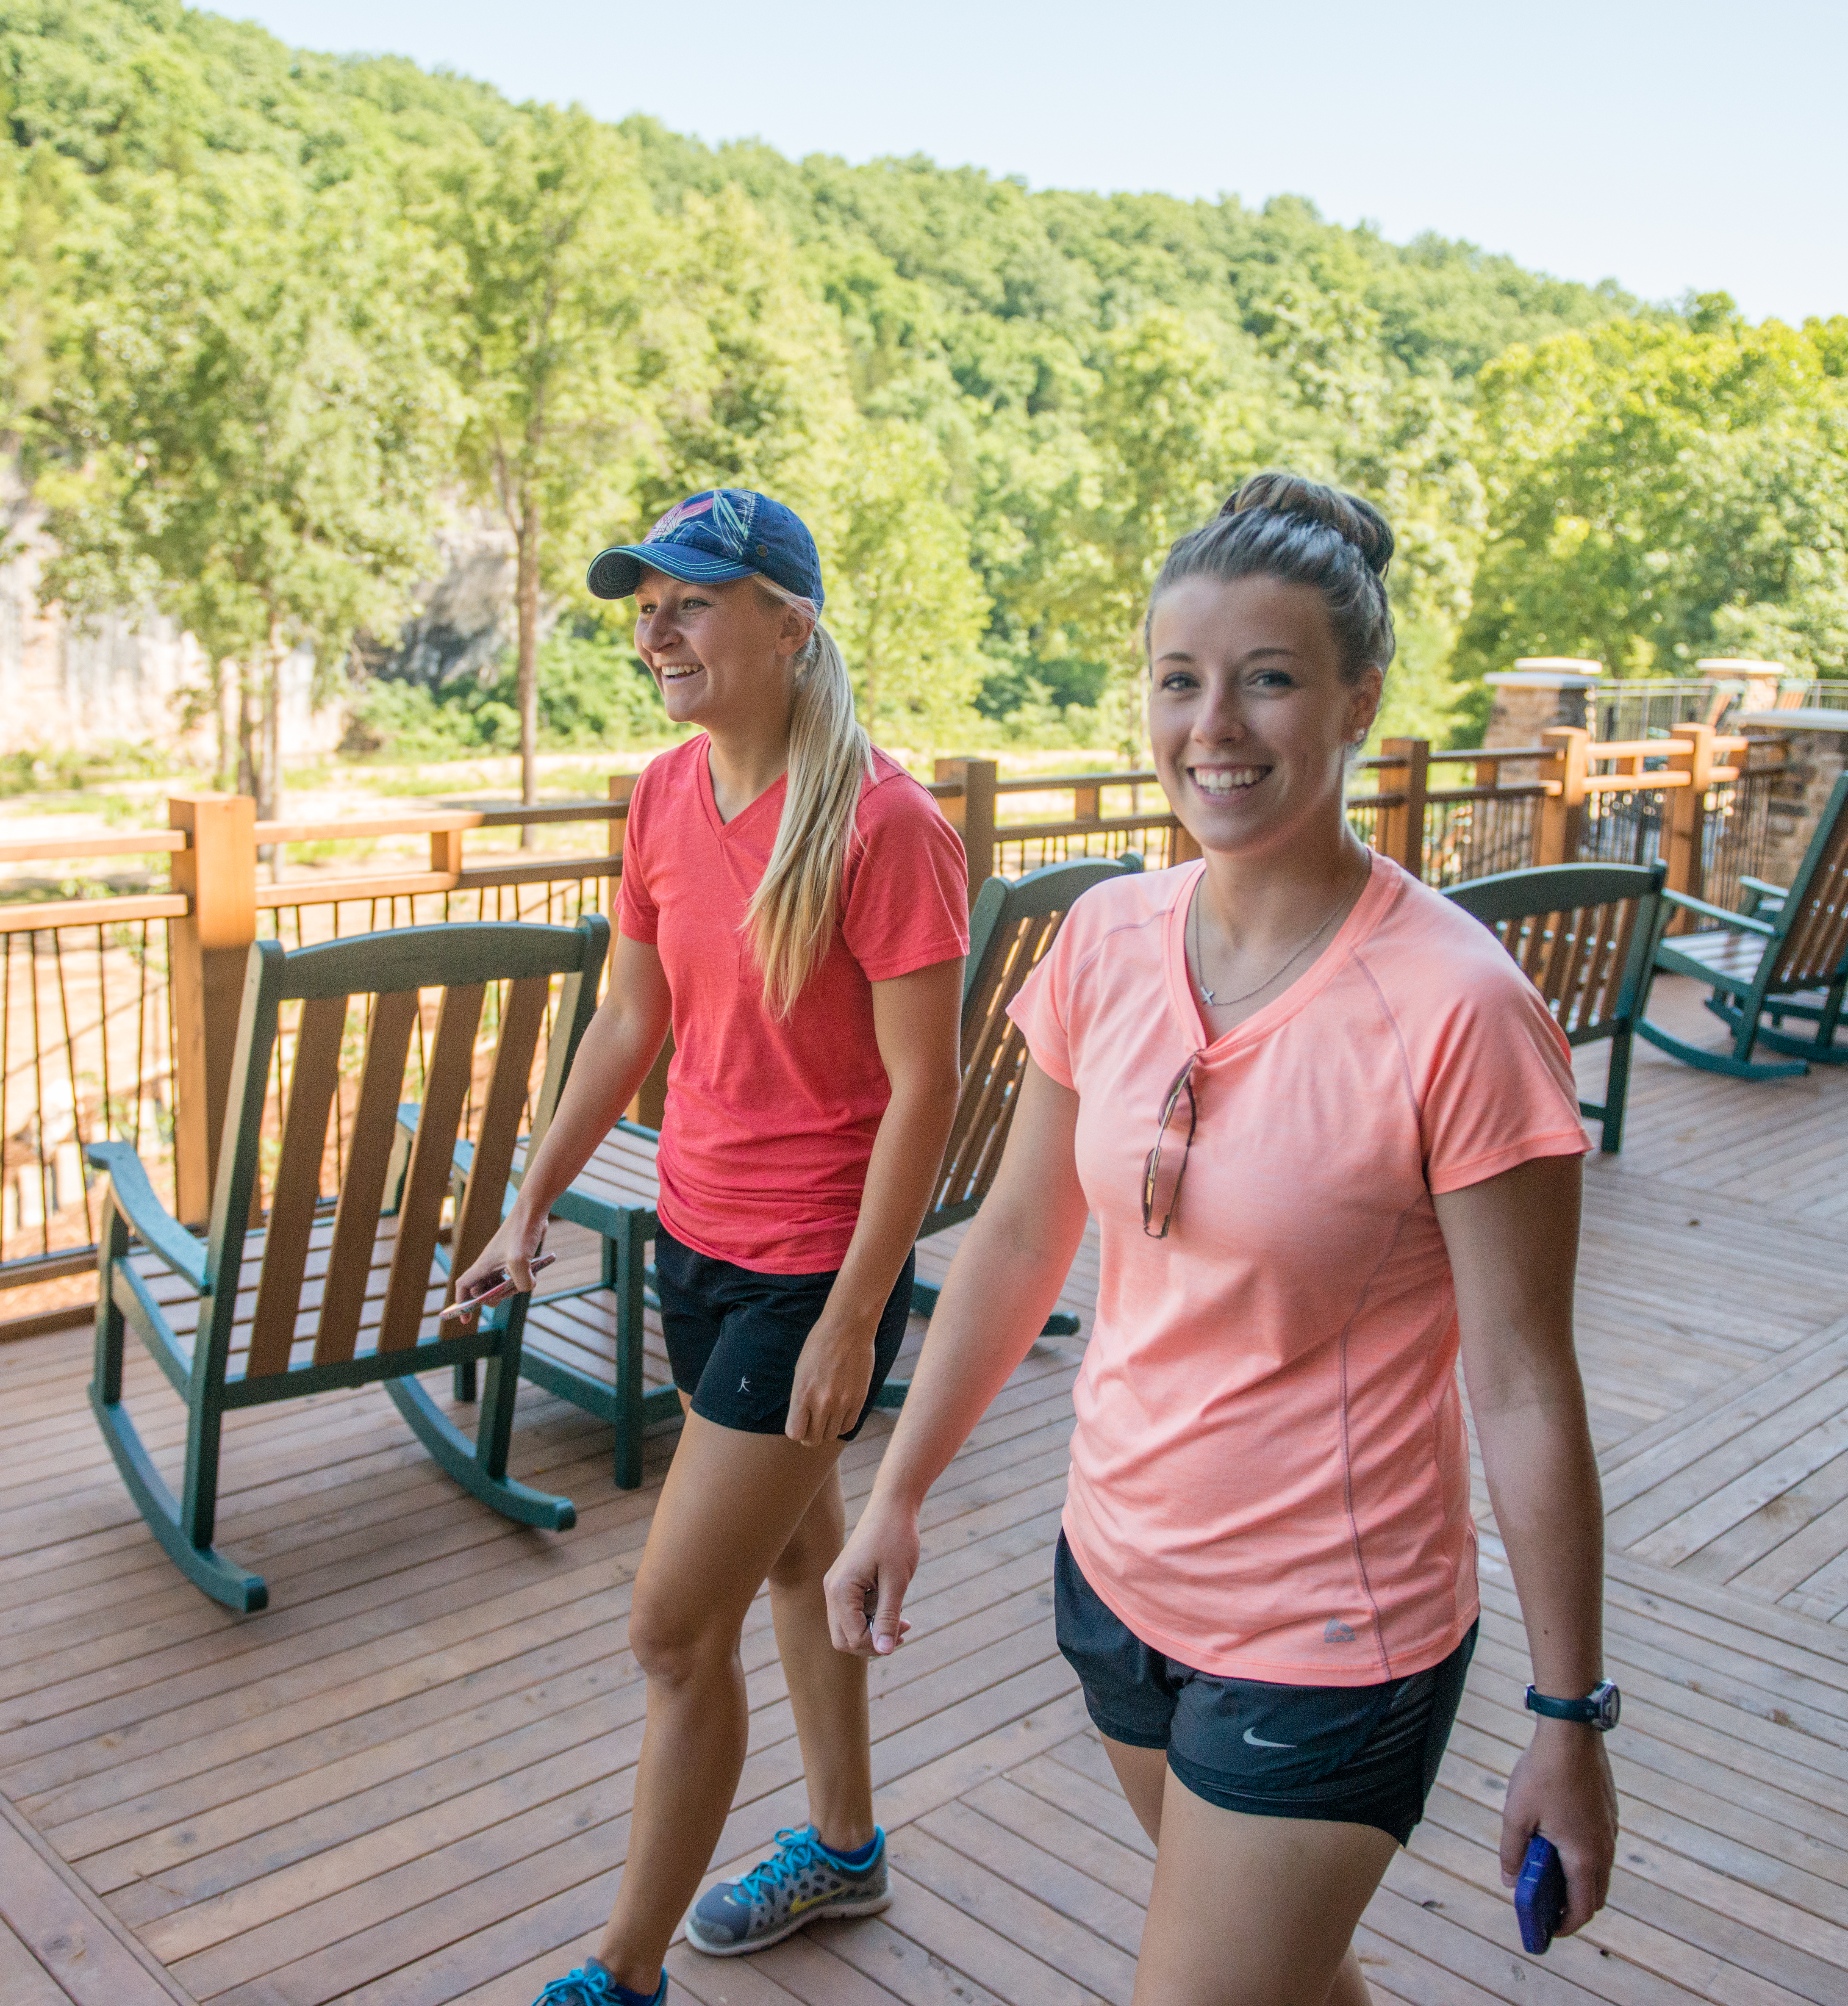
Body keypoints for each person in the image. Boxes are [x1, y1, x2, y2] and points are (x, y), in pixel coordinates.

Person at [821, 474, 1622, 2006]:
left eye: (1268, 679)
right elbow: (1013, 1239)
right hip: (1114, 1582)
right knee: (1292, 1981)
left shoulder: (1459, 1008)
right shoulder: (1105, 940)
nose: (1217, 727)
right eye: (1180, 681)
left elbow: (1523, 1383)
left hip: (1334, 1630)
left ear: (1356, 700)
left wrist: (1569, 1714)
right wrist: (898, 1489)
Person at [453, 489, 968, 2006]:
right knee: (800, 1553)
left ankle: (622, 1977)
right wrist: (531, 1197)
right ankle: (847, 1848)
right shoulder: (667, 796)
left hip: (813, 1270)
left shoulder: (888, 824)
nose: (655, 632)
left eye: (690, 601)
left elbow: (925, 1092)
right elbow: (631, 1015)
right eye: (644, 607)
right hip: (695, 1239)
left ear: (789, 623)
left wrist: (853, 1317)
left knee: (674, 1632)